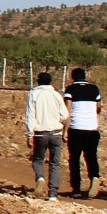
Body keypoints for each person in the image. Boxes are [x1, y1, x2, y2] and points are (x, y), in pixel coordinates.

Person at [25, 71, 70, 201]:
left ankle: (40, 177)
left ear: (38, 81)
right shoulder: (56, 95)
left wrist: (29, 134)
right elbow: (65, 116)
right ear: (50, 81)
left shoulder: (33, 94)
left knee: (37, 159)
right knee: (55, 163)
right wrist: (64, 130)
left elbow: (30, 116)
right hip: (56, 132)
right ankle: (53, 194)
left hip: (40, 134)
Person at [64, 67, 104, 198]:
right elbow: (98, 107)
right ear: (85, 76)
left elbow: (68, 111)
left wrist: (64, 131)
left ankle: (76, 189)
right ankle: (95, 176)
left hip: (76, 128)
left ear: (73, 77)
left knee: (74, 159)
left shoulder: (70, 90)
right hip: (92, 128)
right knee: (91, 156)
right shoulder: (94, 89)